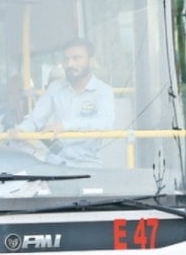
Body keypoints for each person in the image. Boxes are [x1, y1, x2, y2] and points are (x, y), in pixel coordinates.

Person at [10, 38, 115, 167]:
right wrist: (21, 130)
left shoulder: (103, 91)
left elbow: (106, 123)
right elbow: (36, 119)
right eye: (66, 59)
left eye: (76, 58)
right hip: (56, 163)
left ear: (91, 61)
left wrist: (65, 126)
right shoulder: (55, 88)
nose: (70, 64)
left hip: (89, 163)